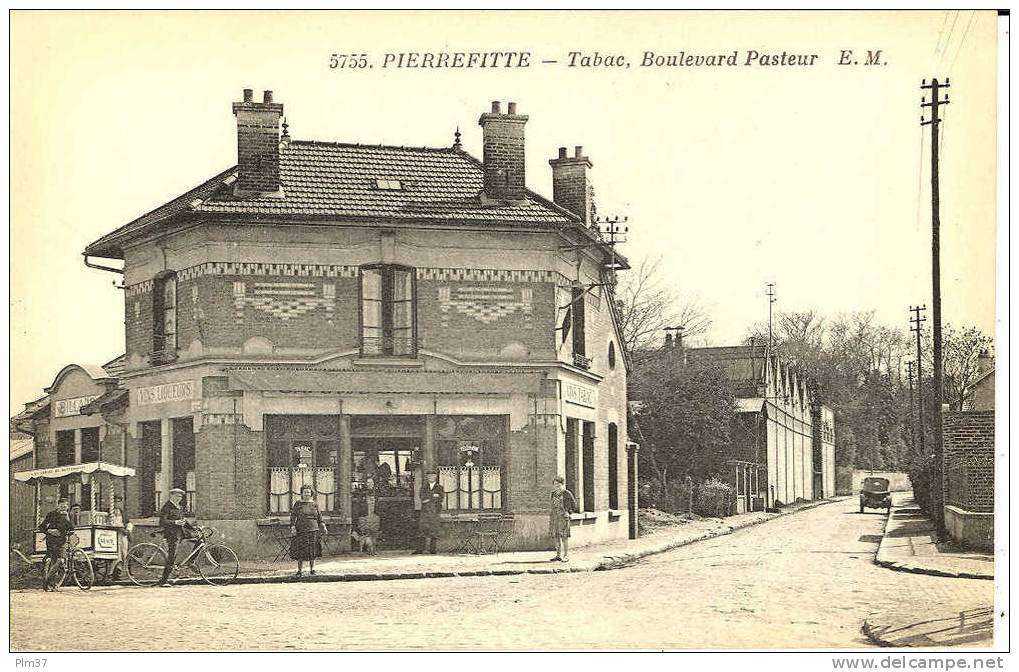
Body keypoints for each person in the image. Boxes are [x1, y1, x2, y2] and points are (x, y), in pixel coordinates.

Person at [157, 487, 191, 587]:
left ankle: (191, 562)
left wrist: (194, 528)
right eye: (177, 496)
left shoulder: (179, 507)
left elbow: (183, 521)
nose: (179, 498)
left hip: (181, 533)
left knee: (199, 539)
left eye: (180, 497)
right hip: (171, 534)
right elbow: (162, 522)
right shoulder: (167, 507)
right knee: (172, 556)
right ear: (172, 496)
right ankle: (164, 581)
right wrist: (175, 522)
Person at [290, 484, 326, 577]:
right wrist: (293, 526)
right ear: (301, 493)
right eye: (305, 492)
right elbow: (293, 516)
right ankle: (299, 570)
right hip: (301, 529)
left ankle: (312, 569)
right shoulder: (298, 504)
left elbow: (319, 517)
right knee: (301, 550)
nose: (307, 494)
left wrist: (323, 525)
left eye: (308, 492)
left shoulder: (314, 504)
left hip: (313, 529)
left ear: (311, 494)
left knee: (312, 550)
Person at [39, 498, 75, 591]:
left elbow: (71, 528)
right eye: (62, 506)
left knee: (61, 561)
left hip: (62, 540)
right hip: (51, 540)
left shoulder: (67, 515)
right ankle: (53, 584)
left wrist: (67, 518)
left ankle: (47, 580)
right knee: (55, 561)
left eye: (66, 506)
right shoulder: (51, 514)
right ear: (58, 505)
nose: (64, 508)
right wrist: (49, 531)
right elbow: (42, 527)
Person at [549, 475, 577, 562]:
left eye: (558, 484)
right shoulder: (553, 494)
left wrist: (568, 512)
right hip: (555, 517)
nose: (556, 486)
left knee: (564, 537)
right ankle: (558, 555)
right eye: (555, 484)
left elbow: (574, 504)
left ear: (562, 484)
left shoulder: (566, 493)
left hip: (563, 518)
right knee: (556, 536)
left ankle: (566, 555)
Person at [414, 471, 444, 555]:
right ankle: (420, 549)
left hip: (435, 511)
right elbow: (423, 498)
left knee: (434, 530)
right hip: (425, 511)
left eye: (433, 476)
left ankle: (433, 549)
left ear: (436, 477)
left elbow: (440, 498)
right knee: (422, 530)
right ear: (427, 477)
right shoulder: (423, 487)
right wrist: (433, 496)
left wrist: (430, 497)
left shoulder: (439, 487)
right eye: (429, 476)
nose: (431, 477)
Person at [108, 494, 131, 580]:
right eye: (115, 501)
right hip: (113, 535)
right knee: (116, 554)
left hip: (123, 535)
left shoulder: (123, 512)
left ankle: (119, 572)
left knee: (124, 552)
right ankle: (112, 572)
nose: (117, 503)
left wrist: (128, 530)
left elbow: (129, 523)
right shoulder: (109, 512)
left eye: (119, 501)